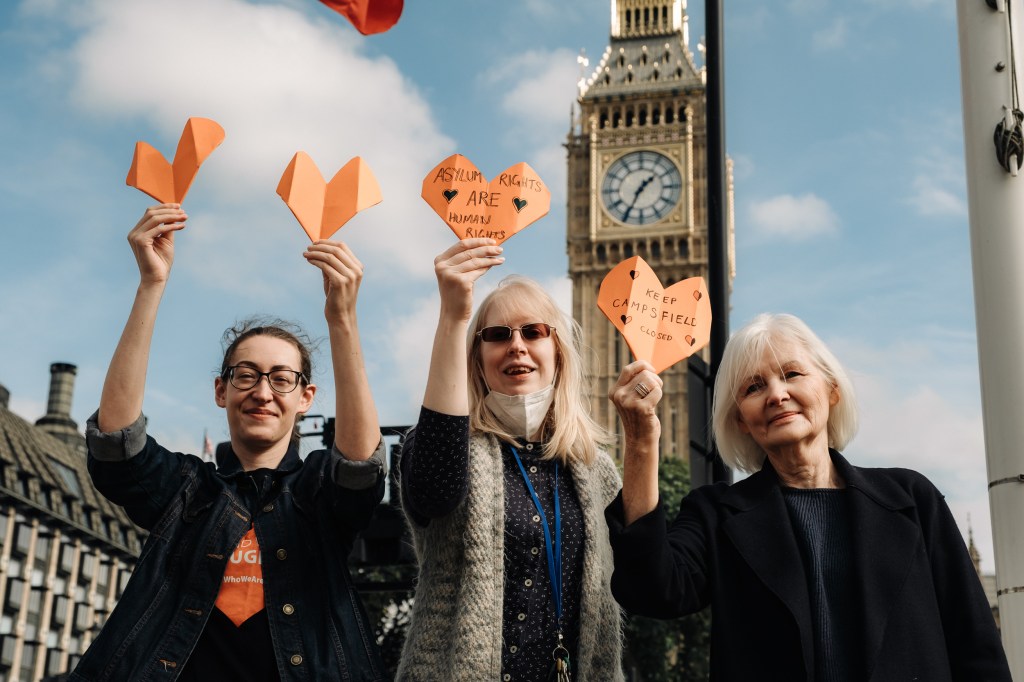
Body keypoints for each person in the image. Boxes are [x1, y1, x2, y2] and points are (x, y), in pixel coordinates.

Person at [70, 204, 388, 681]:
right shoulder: (184, 491)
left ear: (306, 398)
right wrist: (151, 286)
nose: (262, 392)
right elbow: (116, 440)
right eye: (246, 375)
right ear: (221, 391)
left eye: (282, 379)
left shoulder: (318, 492)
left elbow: (361, 465)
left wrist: (342, 319)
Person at [606, 313, 1012, 681]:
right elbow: (651, 589)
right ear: (741, 421)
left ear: (831, 389)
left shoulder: (912, 499)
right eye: (754, 387)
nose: (777, 394)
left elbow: (974, 642)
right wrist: (641, 441)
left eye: (793, 374)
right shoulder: (717, 514)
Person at [396, 239, 624, 681]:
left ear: (558, 352)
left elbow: (647, 580)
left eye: (533, 332)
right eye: (498, 335)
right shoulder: (443, 447)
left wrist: (645, 433)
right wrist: (454, 316)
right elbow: (435, 490)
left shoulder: (598, 469)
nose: (516, 345)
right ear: (477, 362)